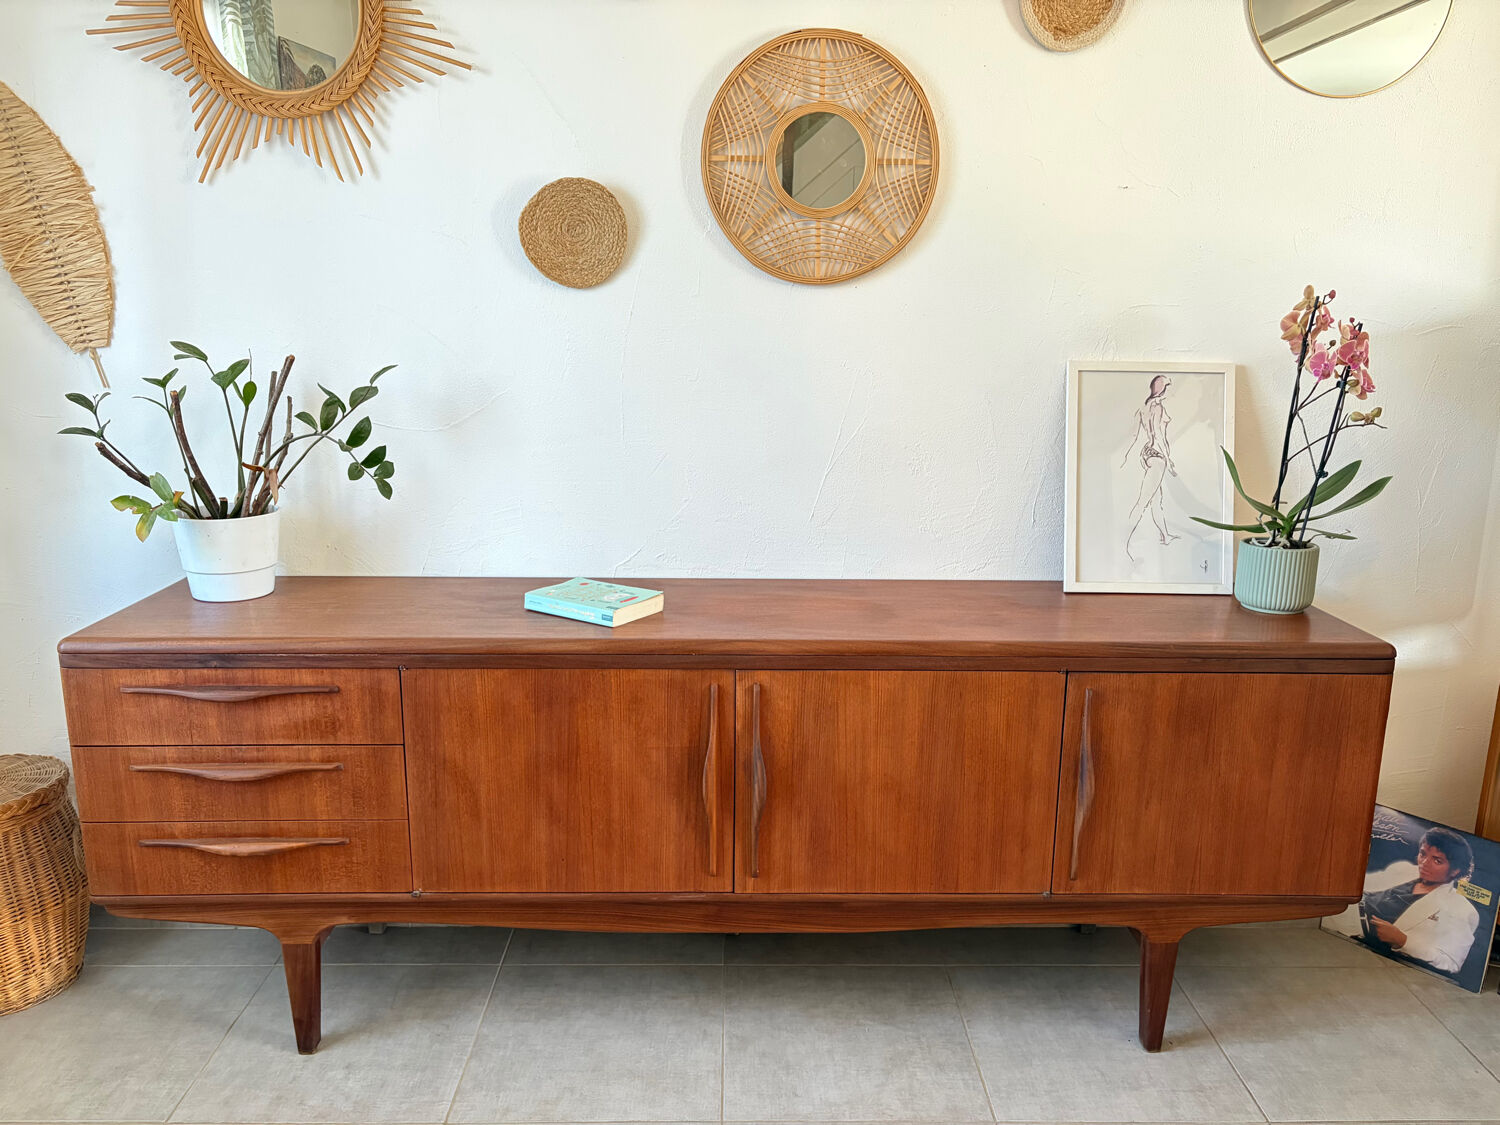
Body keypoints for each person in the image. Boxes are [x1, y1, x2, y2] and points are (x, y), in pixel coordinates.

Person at [1327, 826, 1480, 976]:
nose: (1424, 863)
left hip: (1358, 944)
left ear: (1455, 870)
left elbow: (1450, 963)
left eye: (1437, 861)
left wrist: (1403, 941)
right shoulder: (1405, 869)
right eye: (1422, 854)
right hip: (1337, 916)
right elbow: (1364, 885)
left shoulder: (1462, 910)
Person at [1120, 375, 1179, 562]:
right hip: (1158, 456)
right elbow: (1159, 435)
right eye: (1168, 387)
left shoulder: (1143, 407)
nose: (1170, 390)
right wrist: (1169, 461)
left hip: (1147, 454)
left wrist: (1131, 456)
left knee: (1156, 500)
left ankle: (1165, 535)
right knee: (1142, 502)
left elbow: (1134, 435)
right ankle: (1122, 545)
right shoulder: (1157, 407)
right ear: (1162, 389)